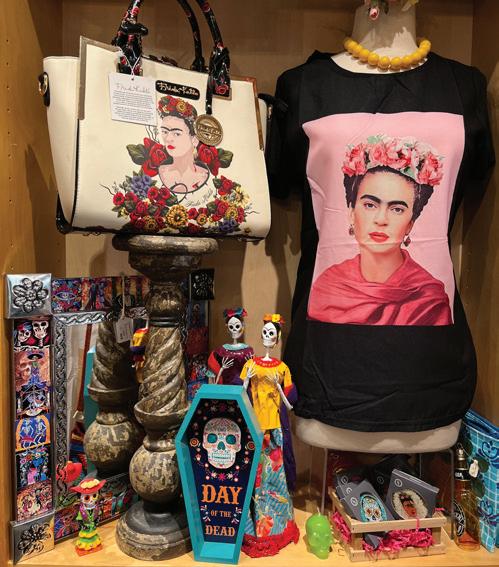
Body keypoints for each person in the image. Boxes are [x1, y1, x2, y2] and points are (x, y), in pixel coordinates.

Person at [308, 135, 452, 326]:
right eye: (370, 205)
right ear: (351, 213)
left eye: (397, 209)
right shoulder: (328, 284)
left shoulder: (428, 299)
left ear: (410, 223)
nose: (381, 220)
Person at [156, 95, 209, 195]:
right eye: (165, 132)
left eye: (177, 133)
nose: (168, 139)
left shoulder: (204, 175)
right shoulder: (161, 172)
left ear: (194, 140)